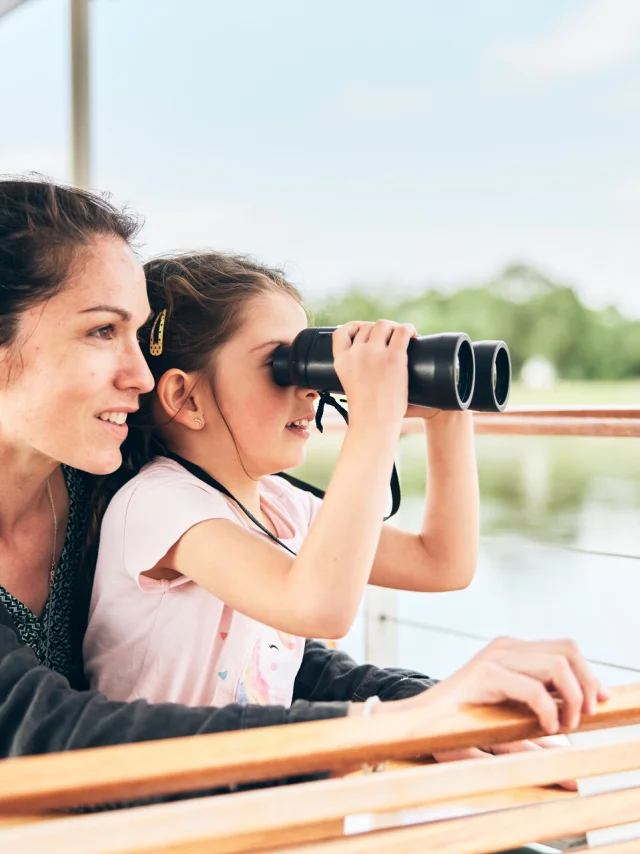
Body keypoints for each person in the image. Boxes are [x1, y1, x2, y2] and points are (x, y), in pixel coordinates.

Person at [0, 176, 609, 782]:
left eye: (137, 333)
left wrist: (442, 711)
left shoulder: (92, 482)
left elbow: (267, 657)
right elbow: (53, 733)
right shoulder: (152, 500)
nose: (140, 374)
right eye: (102, 330)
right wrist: (374, 423)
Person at [83, 251, 479, 708]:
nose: (311, 387)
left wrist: (448, 413)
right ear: (185, 399)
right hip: (163, 773)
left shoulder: (278, 504)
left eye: (308, 363)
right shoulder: (157, 504)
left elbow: (442, 563)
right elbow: (317, 608)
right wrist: (374, 422)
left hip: (250, 771)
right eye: (280, 365)